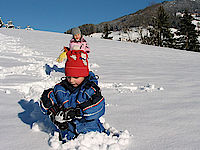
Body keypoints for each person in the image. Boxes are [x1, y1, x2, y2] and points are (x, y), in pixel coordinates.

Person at [41, 50, 108, 143]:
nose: (71, 80)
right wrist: (54, 111)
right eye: (69, 77)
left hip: (90, 130)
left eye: (76, 77)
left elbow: (98, 107)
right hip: (68, 131)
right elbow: (46, 98)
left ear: (84, 76)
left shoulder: (90, 89)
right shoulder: (61, 89)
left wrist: (76, 112)